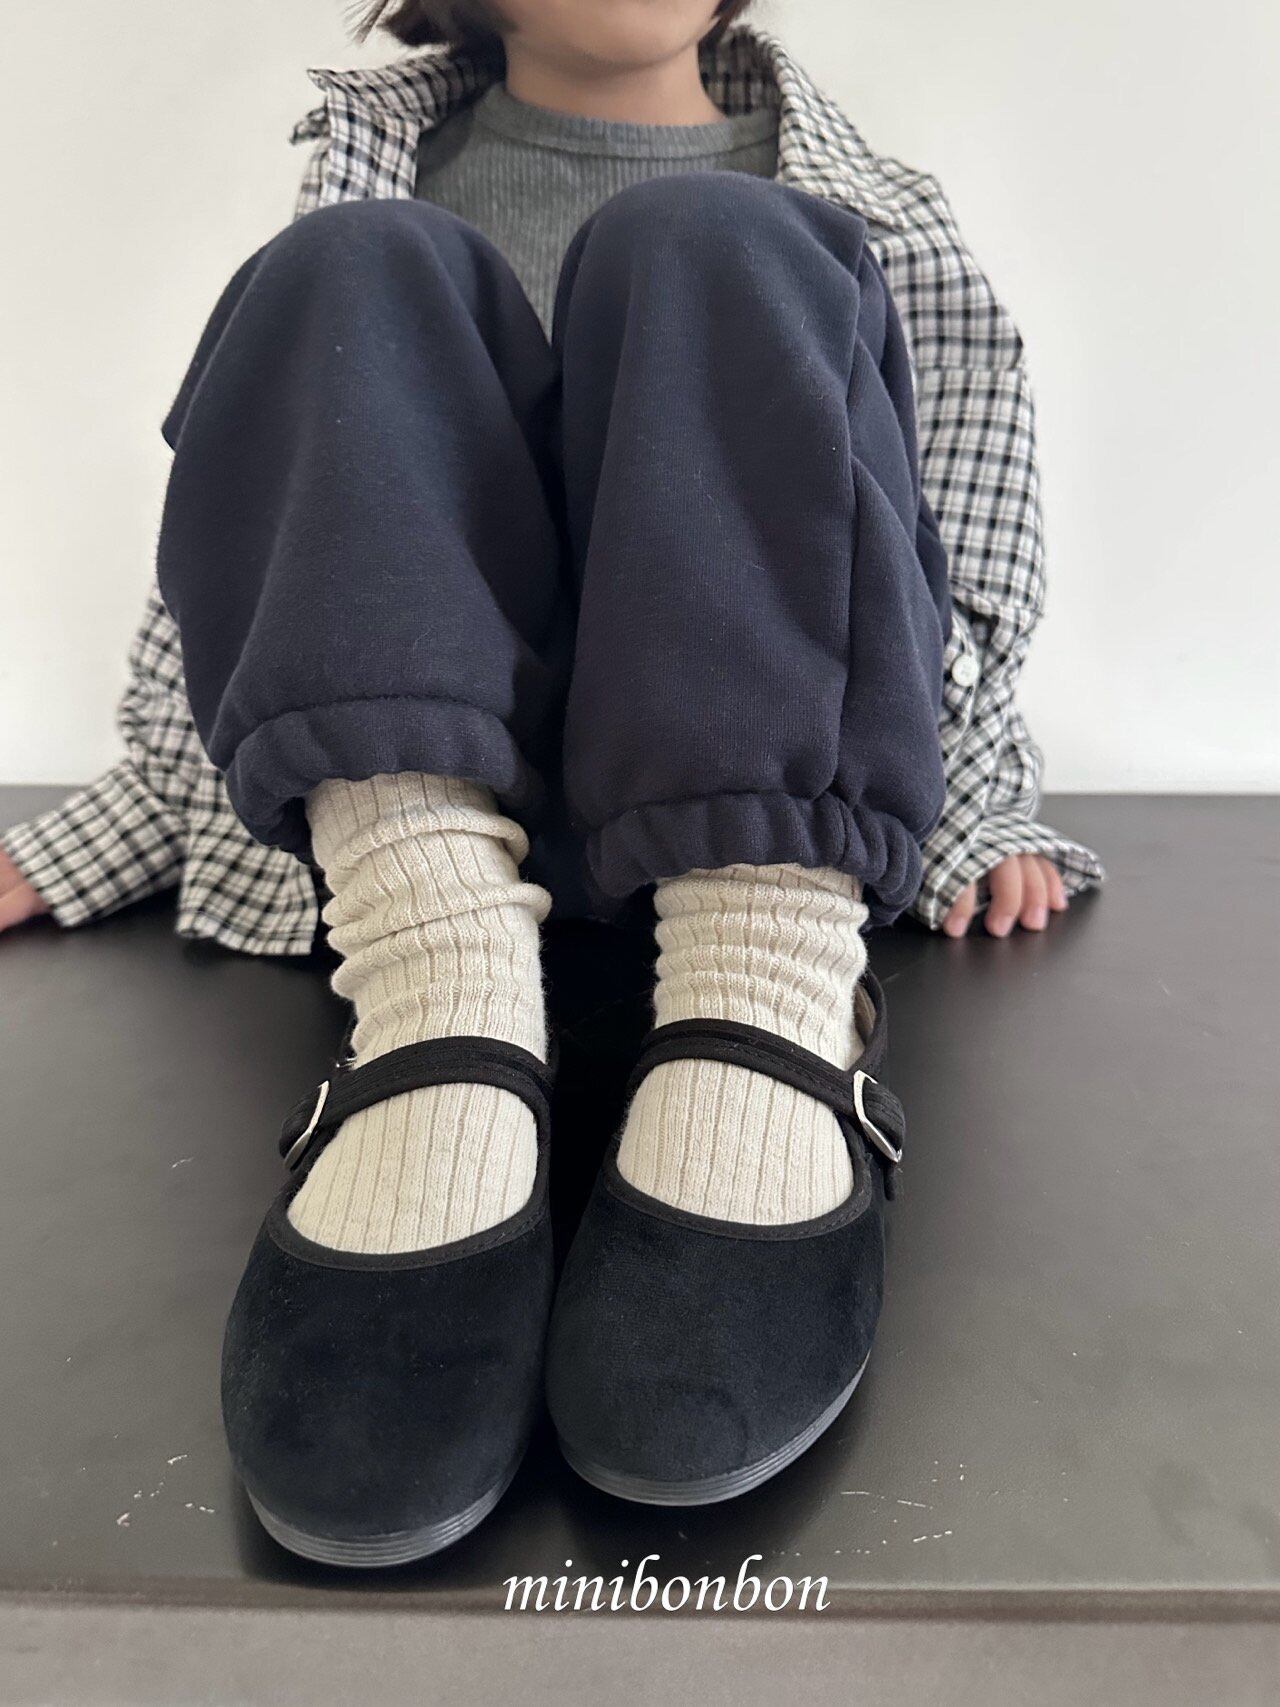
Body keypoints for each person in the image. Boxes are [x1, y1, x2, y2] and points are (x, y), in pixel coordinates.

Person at [2, 1, 1104, 1563]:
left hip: (755, 822)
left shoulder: (873, 213)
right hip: (437, 833)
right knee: (342, 283)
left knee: (719, 248)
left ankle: (765, 987)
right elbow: (271, 542)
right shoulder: (373, 182)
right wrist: (127, 822)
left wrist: (976, 806)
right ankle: (441, 1002)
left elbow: (951, 547)